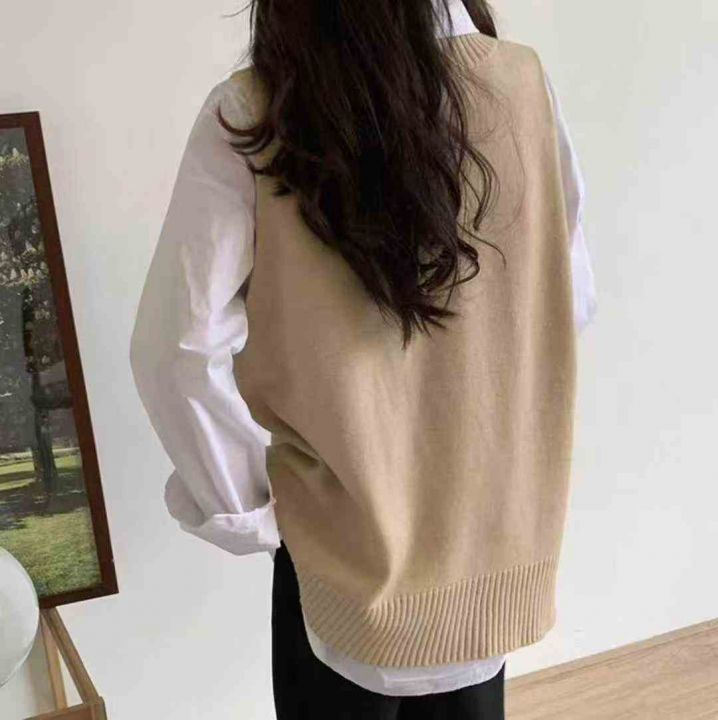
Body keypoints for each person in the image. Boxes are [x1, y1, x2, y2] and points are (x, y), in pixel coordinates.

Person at [130, 1, 597, 717]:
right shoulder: (524, 83)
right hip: (494, 551)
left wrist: (258, 512)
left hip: (337, 562)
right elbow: (571, 301)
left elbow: (177, 353)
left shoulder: (256, 112)